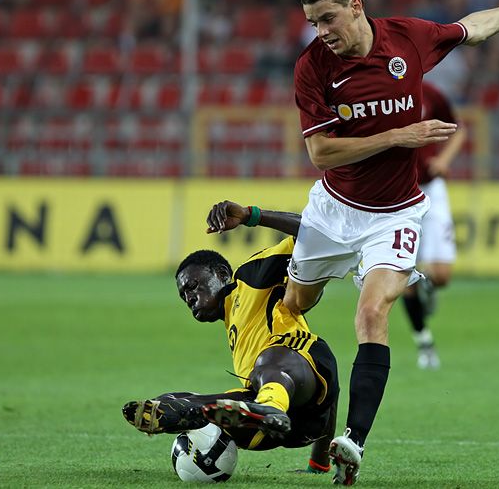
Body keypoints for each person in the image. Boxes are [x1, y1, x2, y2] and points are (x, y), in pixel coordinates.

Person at [277, 0, 499, 485]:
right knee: (294, 307)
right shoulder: (312, 66)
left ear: (356, 6)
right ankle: (307, 398)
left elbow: (469, 29)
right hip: (333, 209)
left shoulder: (406, 37)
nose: (323, 32)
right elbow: (320, 151)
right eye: (314, 22)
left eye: (329, 19)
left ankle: (352, 442)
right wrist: (398, 136)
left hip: (398, 212)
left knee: (372, 312)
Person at [123, 200, 339, 475]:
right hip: (291, 427)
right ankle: (200, 412)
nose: (189, 297)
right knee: (178, 400)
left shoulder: (249, 276)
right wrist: (319, 463)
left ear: (222, 274)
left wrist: (253, 216)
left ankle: (267, 407)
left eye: (192, 286)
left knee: (268, 362)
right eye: (183, 296)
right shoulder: (235, 326)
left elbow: (311, 230)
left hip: (302, 370)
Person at [402, 81, 467, 370]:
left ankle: (426, 284)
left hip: (431, 188)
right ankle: (424, 342)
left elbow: (458, 129)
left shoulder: (430, 93)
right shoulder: (376, 91)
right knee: (401, 274)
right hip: (397, 194)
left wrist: (443, 159)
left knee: (441, 276)